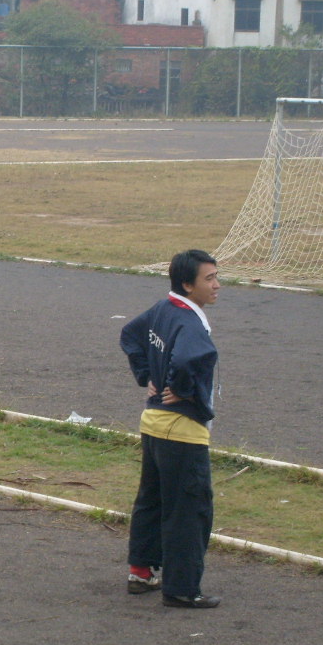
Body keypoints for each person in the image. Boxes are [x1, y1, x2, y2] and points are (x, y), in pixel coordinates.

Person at [119, 249, 222, 609]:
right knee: (189, 511)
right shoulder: (189, 321)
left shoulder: (163, 308)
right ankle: (182, 589)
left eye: (216, 276)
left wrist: (149, 375)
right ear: (187, 284)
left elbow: (130, 334)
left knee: (151, 501)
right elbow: (193, 357)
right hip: (182, 432)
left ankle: (141, 572)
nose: (217, 285)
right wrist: (182, 389)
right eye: (209, 278)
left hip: (153, 424)